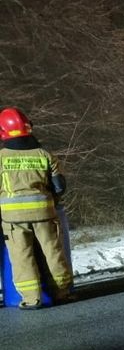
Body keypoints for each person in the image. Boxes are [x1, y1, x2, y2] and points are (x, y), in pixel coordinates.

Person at [0, 107, 74, 309]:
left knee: (22, 256)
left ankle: (32, 299)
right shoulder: (45, 155)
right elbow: (59, 186)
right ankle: (62, 292)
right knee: (52, 252)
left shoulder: (1, 157)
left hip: (13, 220)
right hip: (45, 213)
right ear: (28, 127)